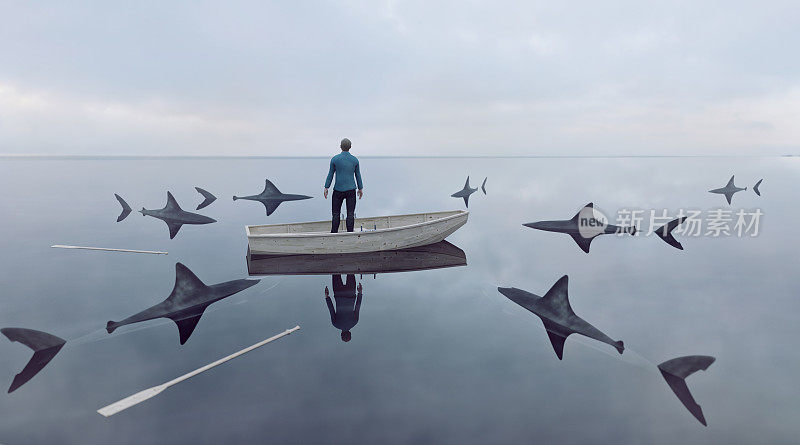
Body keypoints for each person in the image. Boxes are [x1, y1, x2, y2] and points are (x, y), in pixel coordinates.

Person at [324, 138, 363, 233]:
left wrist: (326, 187)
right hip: (351, 191)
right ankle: (350, 234)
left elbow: (330, 174)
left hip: (338, 190)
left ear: (340, 146)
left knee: (336, 214)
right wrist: (360, 188)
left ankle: (334, 233)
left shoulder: (334, 159)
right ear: (350, 147)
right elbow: (358, 175)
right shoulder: (355, 160)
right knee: (350, 214)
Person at [324, 274, 363, 342]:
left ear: (350, 333)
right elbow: (331, 310)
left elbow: (357, 306)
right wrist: (327, 297)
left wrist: (360, 293)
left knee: (350, 270)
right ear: (341, 334)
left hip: (350, 293)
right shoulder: (336, 324)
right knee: (336, 272)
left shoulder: (354, 322)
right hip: (338, 294)